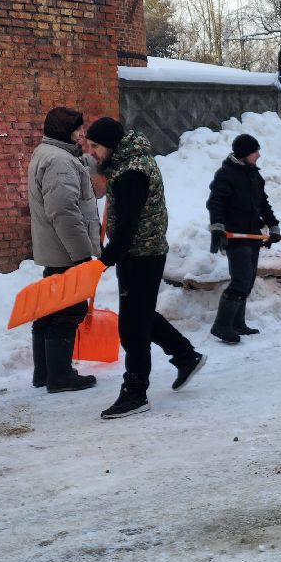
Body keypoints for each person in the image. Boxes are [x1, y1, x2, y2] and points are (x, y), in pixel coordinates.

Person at [83, 116, 206, 419]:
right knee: (141, 315)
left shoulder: (131, 174)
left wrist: (105, 259)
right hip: (142, 253)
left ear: (111, 145)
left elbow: (128, 227)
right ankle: (185, 356)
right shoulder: (128, 163)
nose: (91, 152)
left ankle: (135, 392)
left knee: (132, 328)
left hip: (141, 255)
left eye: (95, 146)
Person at [27, 106, 100, 393]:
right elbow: (64, 212)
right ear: (64, 131)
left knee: (50, 308)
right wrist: (82, 254)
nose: (82, 134)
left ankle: (44, 372)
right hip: (65, 251)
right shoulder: (60, 162)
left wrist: (95, 162)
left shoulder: (48, 154)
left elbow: (76, 167)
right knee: (69, 310)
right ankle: (60, 376)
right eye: (77, 129)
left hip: (54, 248)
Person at [206, 133, 281, 344]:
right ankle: (221, 326)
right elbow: (216, 202)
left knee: (247, 281)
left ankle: (237, 324)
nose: (258, 155)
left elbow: (263, 203)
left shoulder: (254, 175)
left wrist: (273, 225)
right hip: (235, 235)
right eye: (255, 151)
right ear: (244, 153)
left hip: (252, 234)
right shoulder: (226, 175)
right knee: (240, 280)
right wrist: (218, 226)